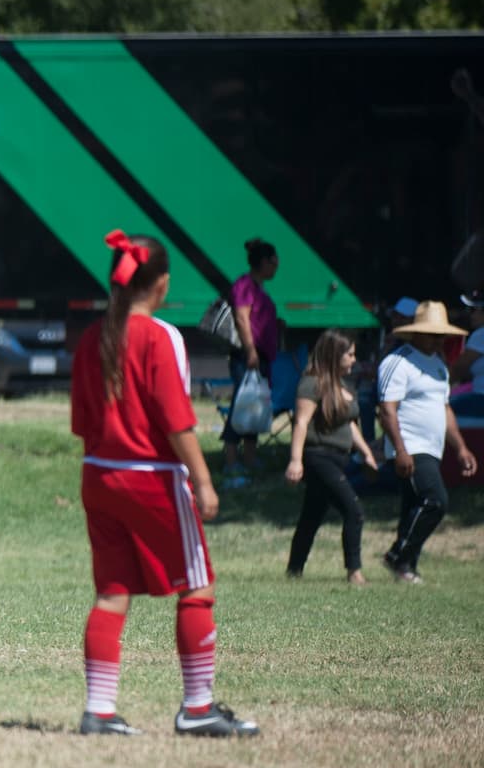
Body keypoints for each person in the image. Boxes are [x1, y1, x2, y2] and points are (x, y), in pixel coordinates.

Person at [70, 230, 258, 738]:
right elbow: (176, 421)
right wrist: (204, 480)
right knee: (196, 586)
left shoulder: (92, 339)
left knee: (111, 593)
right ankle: (198, 708)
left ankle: (99, 711)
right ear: (162, 284)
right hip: (152, 478)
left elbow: (83, 423)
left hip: (98, 474)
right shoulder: (158, 338)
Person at [378, 301, 477, 583]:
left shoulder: (439, 366)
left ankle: (406, 569)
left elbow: (445, 409)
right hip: (410, 446)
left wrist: (460, 448)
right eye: (433, 334)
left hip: (433, 447)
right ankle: (398, 555)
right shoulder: (398, 362)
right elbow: (387, 410)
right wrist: (400, 449)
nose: (439, 340)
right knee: (435, 500)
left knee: (413, 506)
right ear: (417, 333)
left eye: (441, 334)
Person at [284, 329, 378, 585]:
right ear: (334, 355)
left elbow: (349, 425)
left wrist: (367, 453)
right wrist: (295, 460)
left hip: (339, 458)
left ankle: (294, 571)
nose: (353, 360)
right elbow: (301, 423)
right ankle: (354, 572)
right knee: (354, 510)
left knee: (311, 517)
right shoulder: (311, 383)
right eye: (349, 355)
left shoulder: (343, 387)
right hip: (317, 457)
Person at [221, 238, 279, 488]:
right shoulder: (244, 286)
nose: (276, 267)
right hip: (248, 357)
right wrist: (251, 351)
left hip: (261, 356)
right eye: (274, 262)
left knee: (254, 406)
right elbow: (242, 319)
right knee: (241, 405)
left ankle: (249, 457)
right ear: (264, 262)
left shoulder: (258, 287)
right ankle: (231, 460)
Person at [447, 290, 484, 421]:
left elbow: (459, 368)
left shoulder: (481, 334)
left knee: (438, 410)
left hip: (481, 399)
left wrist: (440, 389)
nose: (470, 314)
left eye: (473, 309)